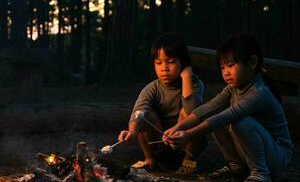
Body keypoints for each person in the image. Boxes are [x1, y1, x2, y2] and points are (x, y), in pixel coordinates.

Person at [163, 32, 293, 182]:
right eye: (222, 68)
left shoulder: (259, 93)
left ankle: (260, 173)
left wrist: (190, 135)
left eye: (230, 65)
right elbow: (210, 107)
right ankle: (236, 166)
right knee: (216, 118)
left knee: (239, 122)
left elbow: (228, 115)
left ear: (252, 63)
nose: (225, 73)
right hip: (259, 151)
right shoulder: (233, 88)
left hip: (277, 155)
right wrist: (178, 127)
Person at [118, 32, 207, 174]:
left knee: (188, 113)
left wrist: (186, 78)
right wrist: (133, 131)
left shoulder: (194, 83)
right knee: (145, 115)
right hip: (160, 144)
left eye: (170, 62)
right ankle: (150, 161)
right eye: (158, 63)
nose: (164, 68)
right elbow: (139, 111)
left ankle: (188, 161)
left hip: (186, 144)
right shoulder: (152, 88)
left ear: (183, 63)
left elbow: (193, 112)